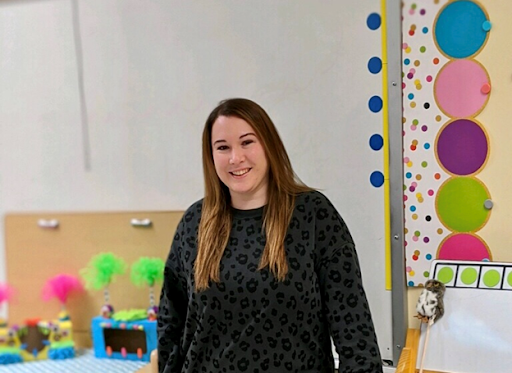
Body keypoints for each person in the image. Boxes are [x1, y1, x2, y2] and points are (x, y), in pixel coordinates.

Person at [157, 98, 383, 373]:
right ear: (211, 155)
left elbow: (355, 333)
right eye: (223, 147)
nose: (235, 158)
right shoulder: (194, 223)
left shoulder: (313, 215)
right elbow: (171, 326)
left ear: (268, 145)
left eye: (247, 142)